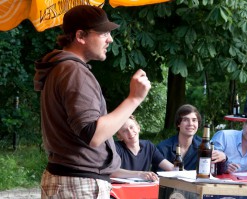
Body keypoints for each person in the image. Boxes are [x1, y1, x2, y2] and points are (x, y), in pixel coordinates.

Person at [34, 5, 151, 199]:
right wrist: (134, 98)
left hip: (69, 181)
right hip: (78, 185)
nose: (110, 39)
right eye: (103, 33)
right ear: (80, 36)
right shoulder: (74, 71)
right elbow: (93, 134)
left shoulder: (61, 68)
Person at [152, 104, 227, 172]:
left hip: (196, 187)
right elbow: (158, 176)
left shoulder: (204, 146)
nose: (190, 124)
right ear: (178, 124)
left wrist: (224, 158)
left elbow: (219, 171)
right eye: (185, 120)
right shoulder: (163, 148)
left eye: (194, 120)